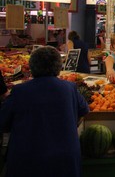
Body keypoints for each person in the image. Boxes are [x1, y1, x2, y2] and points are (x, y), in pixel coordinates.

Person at [0, 46, 89, 177]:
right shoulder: (69, 88)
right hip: (65, 162)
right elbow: (84, 110)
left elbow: (3, 122)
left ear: (32, 66)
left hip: (27, 161)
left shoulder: (20, 91)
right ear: (58, 67)